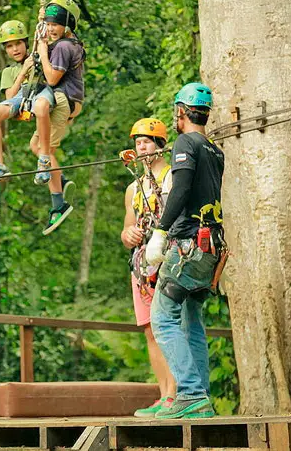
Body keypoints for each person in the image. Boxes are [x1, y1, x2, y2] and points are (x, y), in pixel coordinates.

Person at [145, 83, 225, 419]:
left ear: (181, 111)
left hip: (189, 243)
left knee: (162, 319)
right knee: (192, 318)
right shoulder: (215, 150)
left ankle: (190, 393)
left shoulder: (185, 143)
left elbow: (180, 190)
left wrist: (160, 232)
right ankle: (200, 397)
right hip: (211, 246)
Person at [0, 0, 85, 235]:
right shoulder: (12, 69)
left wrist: (41, 22)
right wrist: (25, 70)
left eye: (18, 43)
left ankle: (53, 183)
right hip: (24, 96)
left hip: (45, 94)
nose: (15, 49)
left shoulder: (50, 49)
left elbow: (44, 42)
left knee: (39, 140)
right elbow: (10, 94)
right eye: (9, 46)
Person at [119, 118, 176, 417]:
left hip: (166, 260)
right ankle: (163, 393)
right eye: (137, 142)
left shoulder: (172, 177)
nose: (141, 146)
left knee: (169, 327)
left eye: (147, 141)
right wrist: (128, 235)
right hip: (142, 266)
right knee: (151, 331)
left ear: (160, 145)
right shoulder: (133, 188)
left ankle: (176, 395)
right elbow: (127, 229)